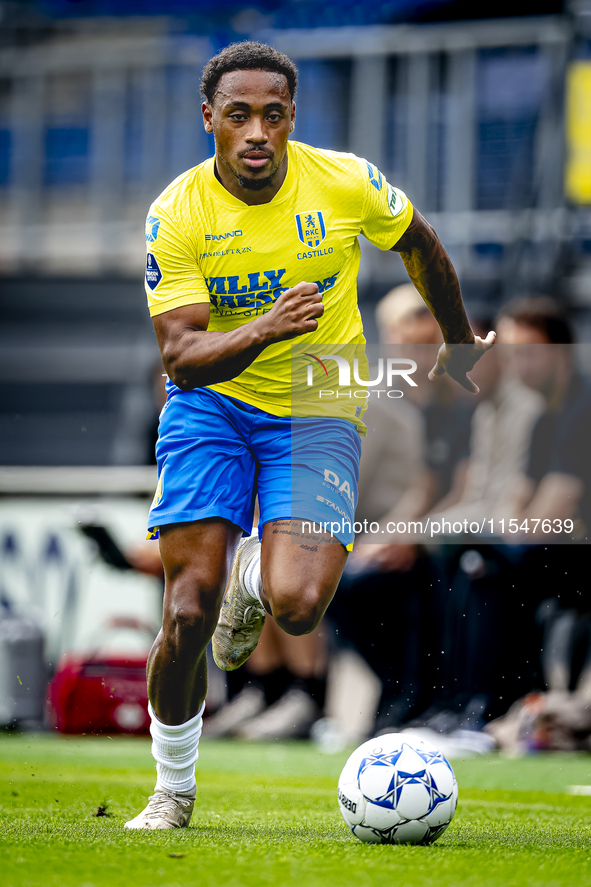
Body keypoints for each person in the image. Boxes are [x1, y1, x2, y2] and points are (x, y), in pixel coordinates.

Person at [125, 41, 495, 830]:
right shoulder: (178, 212)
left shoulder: (344, 181)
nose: (256, 131)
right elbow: (182, 359)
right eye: (238, 115)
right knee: (187, 612)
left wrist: (458, 345)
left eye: (273, 114)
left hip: (319, 401)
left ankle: (252, 578)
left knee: (296, 607)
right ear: (209, 121)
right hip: (211, 406)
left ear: (292, 117)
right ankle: (173, 787)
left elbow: (421, 244)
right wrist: (266, 325)